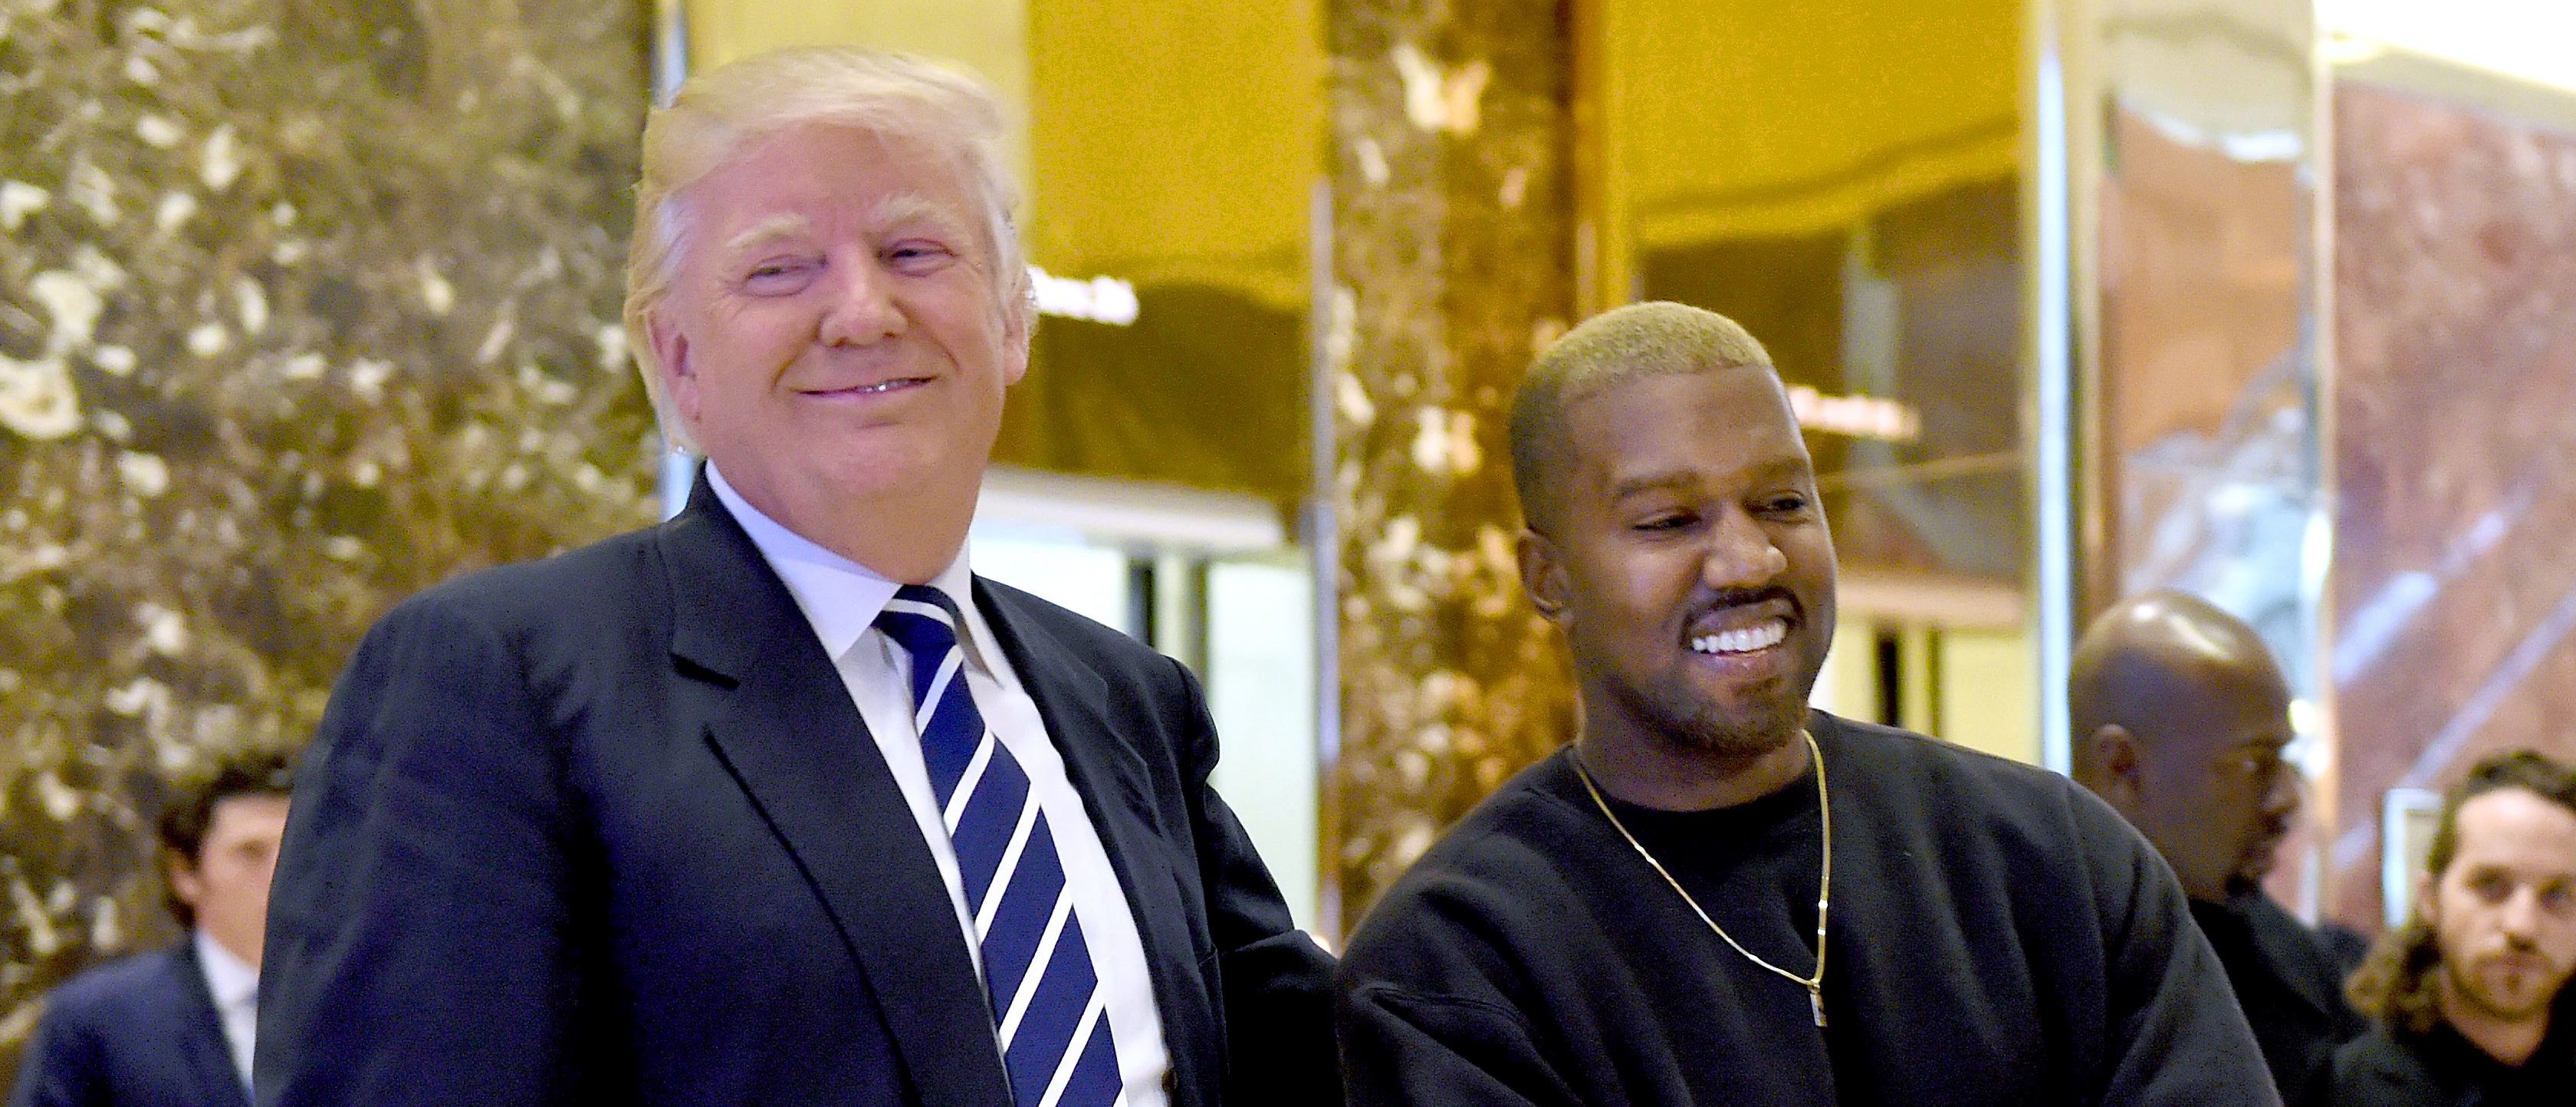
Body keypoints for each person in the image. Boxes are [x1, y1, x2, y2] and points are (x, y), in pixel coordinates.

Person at [253, 47, 1335, 1107]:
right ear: (676, 360)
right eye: (780, 269)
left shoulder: (1126, 700)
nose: (863, 312)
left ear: (1012, 321)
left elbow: (1328, 1065)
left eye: (915, 252)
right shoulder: (501, 684)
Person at [1335, 301, 2275, 1105]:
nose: (1750, 561)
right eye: (1668, 521)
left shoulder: (2050, 864)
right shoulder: (1459, 962)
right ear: (1549, 578)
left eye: (1784, 503)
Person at [2069, 590, 2367, 1103]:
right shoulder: (2015, 966)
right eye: (2254, 764)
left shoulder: (2297, 967)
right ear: (2122, 767)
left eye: (2285, 763)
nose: (2286, 802)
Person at [10, 749, 295, 1107]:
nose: (280, 876)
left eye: (296, 852)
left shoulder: (370, 1009)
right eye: (250, 853)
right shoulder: (98, 1020)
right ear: (186, 874)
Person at [2316, 750, 2576, 1105]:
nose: (2522, 926)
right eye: (2490, 885)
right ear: (2431, 899)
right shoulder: (2350, 1091)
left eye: (2558, 895)